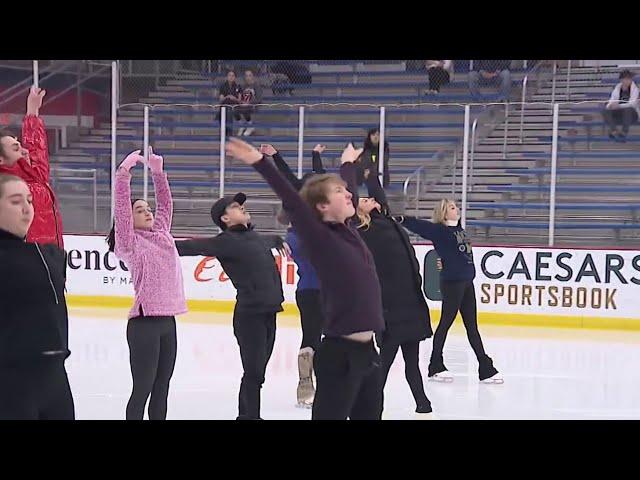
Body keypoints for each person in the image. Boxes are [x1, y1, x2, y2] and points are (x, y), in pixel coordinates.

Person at [227, 138, 385, 421]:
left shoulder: (347, 230)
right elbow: (292, 200)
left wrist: (348, 164)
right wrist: (261, 162)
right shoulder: (320, 238)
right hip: (340, 356)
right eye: (339, 192)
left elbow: (348, 190)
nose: (349, 194)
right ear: (322, 206)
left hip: (369, 355)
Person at [174, 191, 288, 420]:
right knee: (254, 372)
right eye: (236, 207)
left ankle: (245, 417)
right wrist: (152, 242)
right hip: (249, 316)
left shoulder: (255, 237)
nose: (243, 208)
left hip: (269, 313)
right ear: (224, 219)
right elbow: (188, 247)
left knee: (257, 374)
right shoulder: (224, 242)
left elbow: (267, 241)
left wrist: (277, 240)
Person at [344, 167, 433, 415]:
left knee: (412, 360)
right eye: (364, 200)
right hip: (390, 305)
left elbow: (379, 196)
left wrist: (371, 175)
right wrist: (351, 169)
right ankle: (369, 406)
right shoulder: (360, 230)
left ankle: (423, 404)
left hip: (411, 300)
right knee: (383, 363)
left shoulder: (386, 220)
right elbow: (350, 201)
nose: (370, 199)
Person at [107, 147, 187, 420]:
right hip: (144, 324)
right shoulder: (129, 243)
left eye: (148, 208)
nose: (148, 212)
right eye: (140, 210)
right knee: (142, 388)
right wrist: (123, 174)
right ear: (129, 220)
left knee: (161, 389)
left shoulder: (162, 233)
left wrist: (158, 173)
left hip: (168, 322)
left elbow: (165, 204)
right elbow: (121, 207)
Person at [397, 199, 503, 384]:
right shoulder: (440, 231)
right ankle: (435, 365)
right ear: (444, 213)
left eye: (456, 206)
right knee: (445, 323)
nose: (457, 209)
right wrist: (402, 219)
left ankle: (485, 368)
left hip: (466, 282)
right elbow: (420, 226)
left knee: (472, 328)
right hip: (453, 283)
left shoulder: (459, 230)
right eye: (453, 207)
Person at [0, 174, 74, 419]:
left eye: (29, 200)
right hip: (11, 383)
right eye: (15, 201)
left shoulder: (48, 255)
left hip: (54, 379)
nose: (26, 208)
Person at [262, 143, 327, 408]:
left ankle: (306, 386)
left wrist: (277, 156)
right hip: (326, 290)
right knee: (327, 338)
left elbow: (288, 181)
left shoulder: (293, 235)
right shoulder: (319, 231)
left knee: (310, 337)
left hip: (307, 291)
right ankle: (320, 384)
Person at [0, 87, 64, 247]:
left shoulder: (36, 176)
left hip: (52, 254)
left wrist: (32, 113)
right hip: (23, 257)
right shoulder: (5, 187)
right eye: (15, 148)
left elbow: (37, 149)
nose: (24, 150)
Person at [602, 70, 640, 142]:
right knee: (605, 110)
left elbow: (633, 104)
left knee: (628, 109)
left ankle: (624, 133)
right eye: (626, 79)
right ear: (621, 80)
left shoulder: (635, 89)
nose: (628, 81)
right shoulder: (617, 88)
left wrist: (618, 106)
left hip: (632, 114)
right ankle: (614, 130)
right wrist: (610, 105)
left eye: (629, 79)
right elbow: (612, 99)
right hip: (620, 114)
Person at [237, 69, 264, 137]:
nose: (248, 77)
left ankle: (250, 126)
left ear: (252, 77)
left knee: (245, 108)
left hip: (253, 105)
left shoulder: (256, 86)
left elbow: (259, 99)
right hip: (244, 104)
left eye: (249, 75)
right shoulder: (243, 86)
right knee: (234, 108)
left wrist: (249, 103)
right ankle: (241, 126)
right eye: (246, 76)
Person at [216, 70, 243, 137]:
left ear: (235, 77)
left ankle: (228, 133)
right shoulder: (223, 86)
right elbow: (221, 100)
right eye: (229, 75)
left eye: (232, 76)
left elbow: (239, 100)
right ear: (227, 77)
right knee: (225, 110)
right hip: (225, 105)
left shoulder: (238, 87)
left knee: (229, 111)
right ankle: (224, 133)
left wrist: (234, 98)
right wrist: (227, 97)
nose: (231, 77)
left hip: (234, 106)